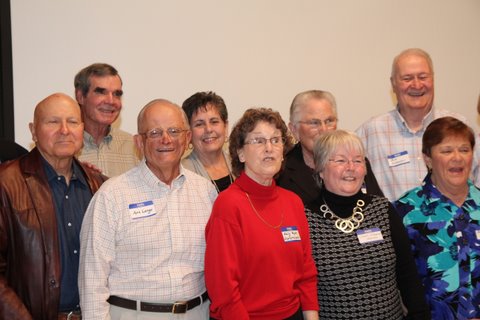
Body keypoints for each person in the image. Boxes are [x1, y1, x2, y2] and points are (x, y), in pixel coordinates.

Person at [79, 99, 217, 320]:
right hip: (135, 314)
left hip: (197, 313)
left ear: (187, 138)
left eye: (174, 131)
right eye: (154, 133)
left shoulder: (206, 192)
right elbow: (92, 279)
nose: (166, 139)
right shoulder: (111, 195)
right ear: (139, 143)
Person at [205, 108, 319, 320]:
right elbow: (223, 289)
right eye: (258, 141)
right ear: (240, 153)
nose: (269, 148)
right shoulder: (228, 205)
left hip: (292, 314)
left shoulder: (292, 202)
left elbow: (306, 272)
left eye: (276, 140)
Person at [0, 93, 106, 320]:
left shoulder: (99, 185)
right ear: (33, 130)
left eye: (73, 122)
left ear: (82, 129)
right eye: (53, 121)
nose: (64, 130)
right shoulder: (5, 183)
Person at [305, 129, 430, 319]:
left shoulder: (382, 209)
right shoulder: (305, 218)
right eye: (340, 160)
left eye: (357, 160)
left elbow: (407, 274)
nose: (351, 167)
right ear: (321, 168)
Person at [356, 48, 477, 202]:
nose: (417, 85)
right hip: (394, 224)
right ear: (393, 84)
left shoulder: (460, 126)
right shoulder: (370, 132)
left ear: (433, 79)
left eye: (423, 77)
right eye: (407, 78)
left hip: (457, 223)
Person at [394, 117, 480, 320]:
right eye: (447, 151)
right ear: (428, 159)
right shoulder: (405, 212)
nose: (457, 158)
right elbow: (396, 282)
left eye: (464, 150)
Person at [277, 89, 383, 208]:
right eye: (314, 123)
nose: (324, 130)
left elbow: (378, 208)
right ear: (294, 130)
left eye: (329, 121)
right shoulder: (281, 172)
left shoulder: (356, 163)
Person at [74, 63, 140, 177]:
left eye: (116, 94)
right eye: (101, 92)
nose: (111, 101)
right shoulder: (63, 145)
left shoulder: (135, 147)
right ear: (80, 96)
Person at [181, 91, 233, 193]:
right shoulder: (181, 174)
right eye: (199, 124)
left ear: (226, 127)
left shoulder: (242, 166)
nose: (208, 129)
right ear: (188, 134)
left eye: (214, 122)